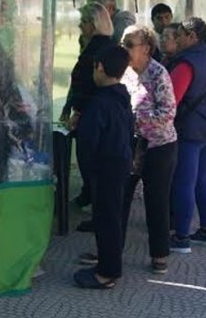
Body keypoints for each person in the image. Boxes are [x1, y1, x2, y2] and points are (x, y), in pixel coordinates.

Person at [161, 18, 206, 253]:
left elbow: (172, 100)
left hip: (190, 129)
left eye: (179, 35)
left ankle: (181, 236)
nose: (176, 39)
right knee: (203, 179)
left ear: (192, 36)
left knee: (185, 181)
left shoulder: (187, 62)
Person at [73, 45, 133, 289]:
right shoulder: (121, 96)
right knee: (112, 217)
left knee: (106, 219)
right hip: (119, 163)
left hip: (105, 167)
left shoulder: (100, 103)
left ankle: (107, 273)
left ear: (99, 67)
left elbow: (89, 141)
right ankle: (108, 265)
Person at [120, 25, 177, 274]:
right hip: (132, 145)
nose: (124, 49)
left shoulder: (158, 73)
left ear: (146, 48)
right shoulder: (125, 72)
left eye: (129, 45)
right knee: (121, 197)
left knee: (156, 200)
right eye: (122, 44)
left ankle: (159, 254)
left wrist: (137, 120)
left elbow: (168, 112)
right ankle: (111, 249)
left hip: (158, 146)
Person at [60, 2, 115, 214]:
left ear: (94, 24)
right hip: (94, 110)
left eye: (83, 22)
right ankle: (89, 194)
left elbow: (87, 83)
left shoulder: (98, 48)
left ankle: (93, 198)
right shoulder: (98, 45)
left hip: (93, 112)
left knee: (90, 157)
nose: (80, 26)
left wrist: (78, 111)